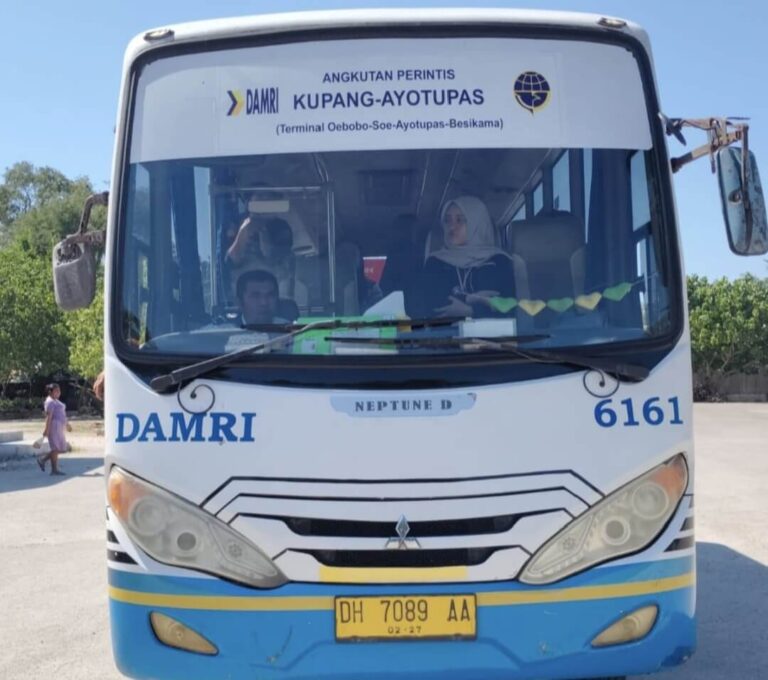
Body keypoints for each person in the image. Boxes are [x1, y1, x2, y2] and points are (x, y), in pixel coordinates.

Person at [419, 196, 516, 317]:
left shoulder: (499, 261)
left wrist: (471, 311)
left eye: (459, 220)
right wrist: (472, 299)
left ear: (477, 223)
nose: (452, 227)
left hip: (495, 334)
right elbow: (431, 304)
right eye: (447, 220)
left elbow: (511, 307)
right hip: (445, 334)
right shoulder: (435, 262)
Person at [36, 383, 71, 476]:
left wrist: (67, 424)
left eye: (59, 391)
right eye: (56, 391)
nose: (58, 393)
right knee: (56, 448)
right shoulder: (50, 402)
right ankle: (53, 469)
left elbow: (62, 414)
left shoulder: (56, 401)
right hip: (54, 426)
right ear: (50, 392)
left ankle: (43, 460)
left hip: (59, 426)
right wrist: (46, 429)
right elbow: (49, 417)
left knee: (61, 448)